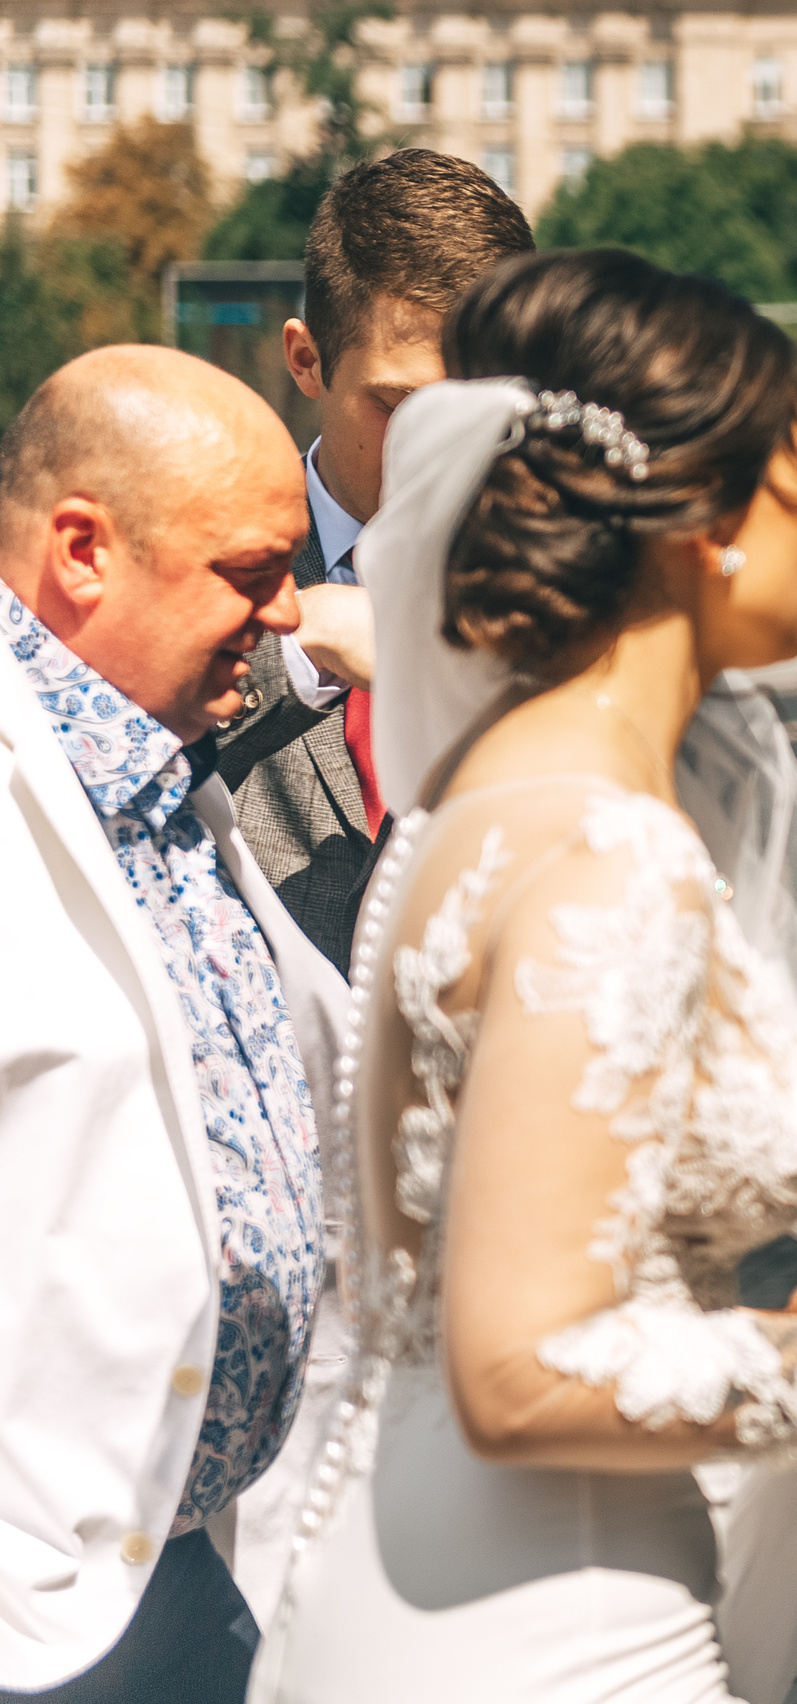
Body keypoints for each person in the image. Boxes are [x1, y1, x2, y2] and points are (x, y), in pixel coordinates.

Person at [248, 248, 797, 1704]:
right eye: (795, 481)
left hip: (424, 1569)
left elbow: (532, 1277)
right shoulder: (609, 857)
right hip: (545, 1631)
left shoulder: (477, 804)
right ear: (702, 526)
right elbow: (523, 1372)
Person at [0, 346, 345, 1701]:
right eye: (250, 573)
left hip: (186, 1566)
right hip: (43, 1611)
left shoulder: (150, 767)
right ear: (83, 551)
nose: (285, 612)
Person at [215, 148, 534, 975]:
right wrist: (299, 647)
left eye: (472, 413)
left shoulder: (565, 583)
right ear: (307, 359)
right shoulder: (207, 555)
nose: (440, 450)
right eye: (400, 406)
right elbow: (108, 761)